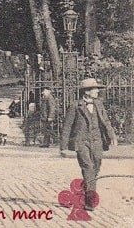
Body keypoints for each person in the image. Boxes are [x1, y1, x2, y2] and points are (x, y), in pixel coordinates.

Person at [60, 78, 117, 211]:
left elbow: (106, 121)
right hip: (81, 142)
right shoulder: (75, 106)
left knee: (96, 168)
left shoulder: (99, 104)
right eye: (94, 88)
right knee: (88, 167)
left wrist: (112, 136)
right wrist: (63, 147)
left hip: (97, 141)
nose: (97, 91)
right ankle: (90, 201)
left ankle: (85, 192)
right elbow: (67, 126)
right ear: (86, 91)